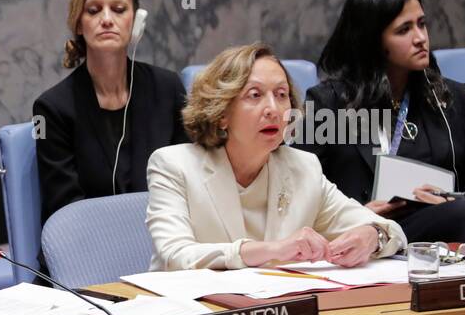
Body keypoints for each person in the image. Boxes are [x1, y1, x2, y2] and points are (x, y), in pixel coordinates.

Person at [146, 43, 405, 271]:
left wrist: (373, 236)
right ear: (221, 113)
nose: (273, 109)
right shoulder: (174, 165)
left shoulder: (303, 167)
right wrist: (272, 250)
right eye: (255, 95)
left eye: (281, 95)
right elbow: (175, 256)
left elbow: (390, 231)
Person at [303, 0, 465, 245]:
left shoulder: (454, 98)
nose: (421, 38)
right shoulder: (328, 104)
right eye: (404, 30)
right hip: (361, 233)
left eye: (422, 24)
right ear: (372, 40)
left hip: (442, 230)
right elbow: (300, 194)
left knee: (461, 213)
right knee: (462, 216)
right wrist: (357, 214)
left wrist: (446, 200)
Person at [33, 0, 187, 224]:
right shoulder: (51, 109)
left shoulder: (168, 89)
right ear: (79, 23)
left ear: (136, 20)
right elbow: (65, 210)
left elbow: (188, 181)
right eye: (93, 10)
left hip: (165, 240)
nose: (106, 19)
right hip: (89, 246)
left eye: (118, 9)